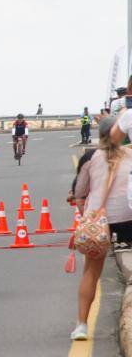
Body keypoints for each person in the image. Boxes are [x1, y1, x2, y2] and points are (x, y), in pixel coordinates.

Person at [71, 115, 129, 340]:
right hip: (128, 219)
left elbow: (79, 193)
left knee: (91, 272)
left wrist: (82, 208)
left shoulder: (91, 157)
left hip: (99, 223)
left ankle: (82, 326)